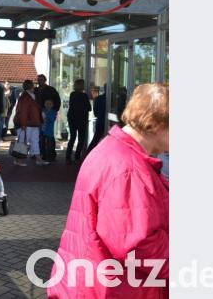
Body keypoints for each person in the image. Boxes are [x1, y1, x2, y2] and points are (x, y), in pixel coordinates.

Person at [48, 84, 169, 298]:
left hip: (94, 282)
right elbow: (137, 245)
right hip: (112, 287)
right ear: (155, 124)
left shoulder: (112, 151)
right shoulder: (129, 169)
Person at [14, 80, 50, 167]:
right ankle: (19, 160)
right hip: (28, 123)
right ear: (30, 86)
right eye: (33, 86)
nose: (34, 87)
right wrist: (23, 124)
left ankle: (37, 159)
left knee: (32, 141)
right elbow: (23, 112)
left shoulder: (29, 96)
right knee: (23, 142)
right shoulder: (26, 97)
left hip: (32, 123)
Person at [66, 79, 92, 165]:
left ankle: (68, 156)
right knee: (81, 139)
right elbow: (89, 108)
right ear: (82, 86)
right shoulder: (84, 96)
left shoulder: (72, 94)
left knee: (72, 137)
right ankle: (77, 156)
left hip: (72, 118)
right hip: (81, 119)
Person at [86, 86, 107, 156]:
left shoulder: (99, 99)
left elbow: (95, 113)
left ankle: (88, 154)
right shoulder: (112, 99)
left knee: (96, 139)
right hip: (106, 122)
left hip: (100, 121)